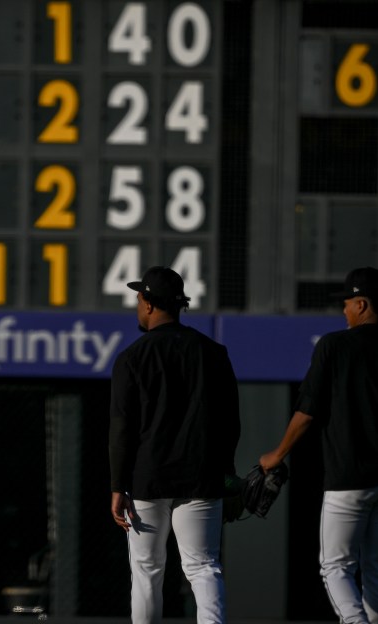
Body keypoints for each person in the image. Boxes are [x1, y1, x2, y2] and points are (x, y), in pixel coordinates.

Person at [258, 266, 378, 624]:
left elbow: (307, 412)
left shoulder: (334, 346)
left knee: (335, 566)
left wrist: (277, 455)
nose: (342, 310)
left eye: (346, 303)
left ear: (361, 304)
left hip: (352, 478)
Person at [108, 266, 241, 624]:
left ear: (149, 304)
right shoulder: (213, 352)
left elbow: (122, 428)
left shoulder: (132, 357)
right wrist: (225, 473)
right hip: (201, 476)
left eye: (139, 298)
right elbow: (231, 421)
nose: (138, 305)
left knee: (147, 571)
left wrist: (118, 485)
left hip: (147, 477)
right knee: (203, 567)